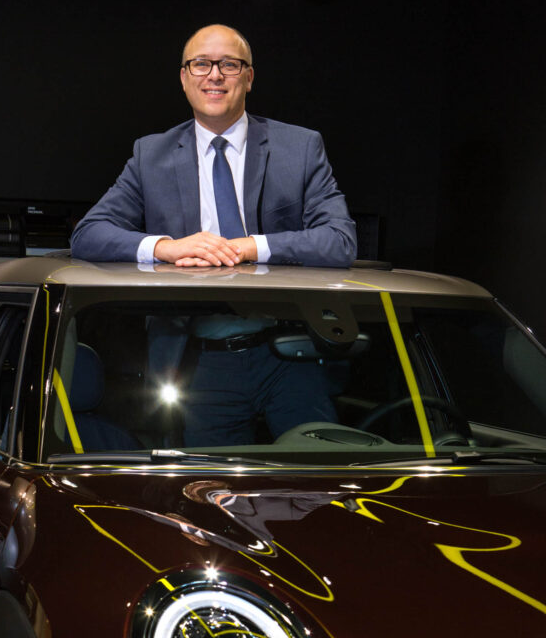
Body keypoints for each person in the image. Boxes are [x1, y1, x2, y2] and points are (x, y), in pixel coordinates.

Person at [71, 24, 356, 443]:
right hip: (201, 362)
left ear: (249, 77)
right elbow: (88, 235)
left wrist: (251, 247)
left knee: (315, 487)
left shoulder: (300, 148)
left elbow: (340, 241)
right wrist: (166, 248)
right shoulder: (151, 155)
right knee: (209, 492)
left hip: (289, 351)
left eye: (229, 64)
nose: (215, 75)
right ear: (185, 78)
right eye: (201, 64)